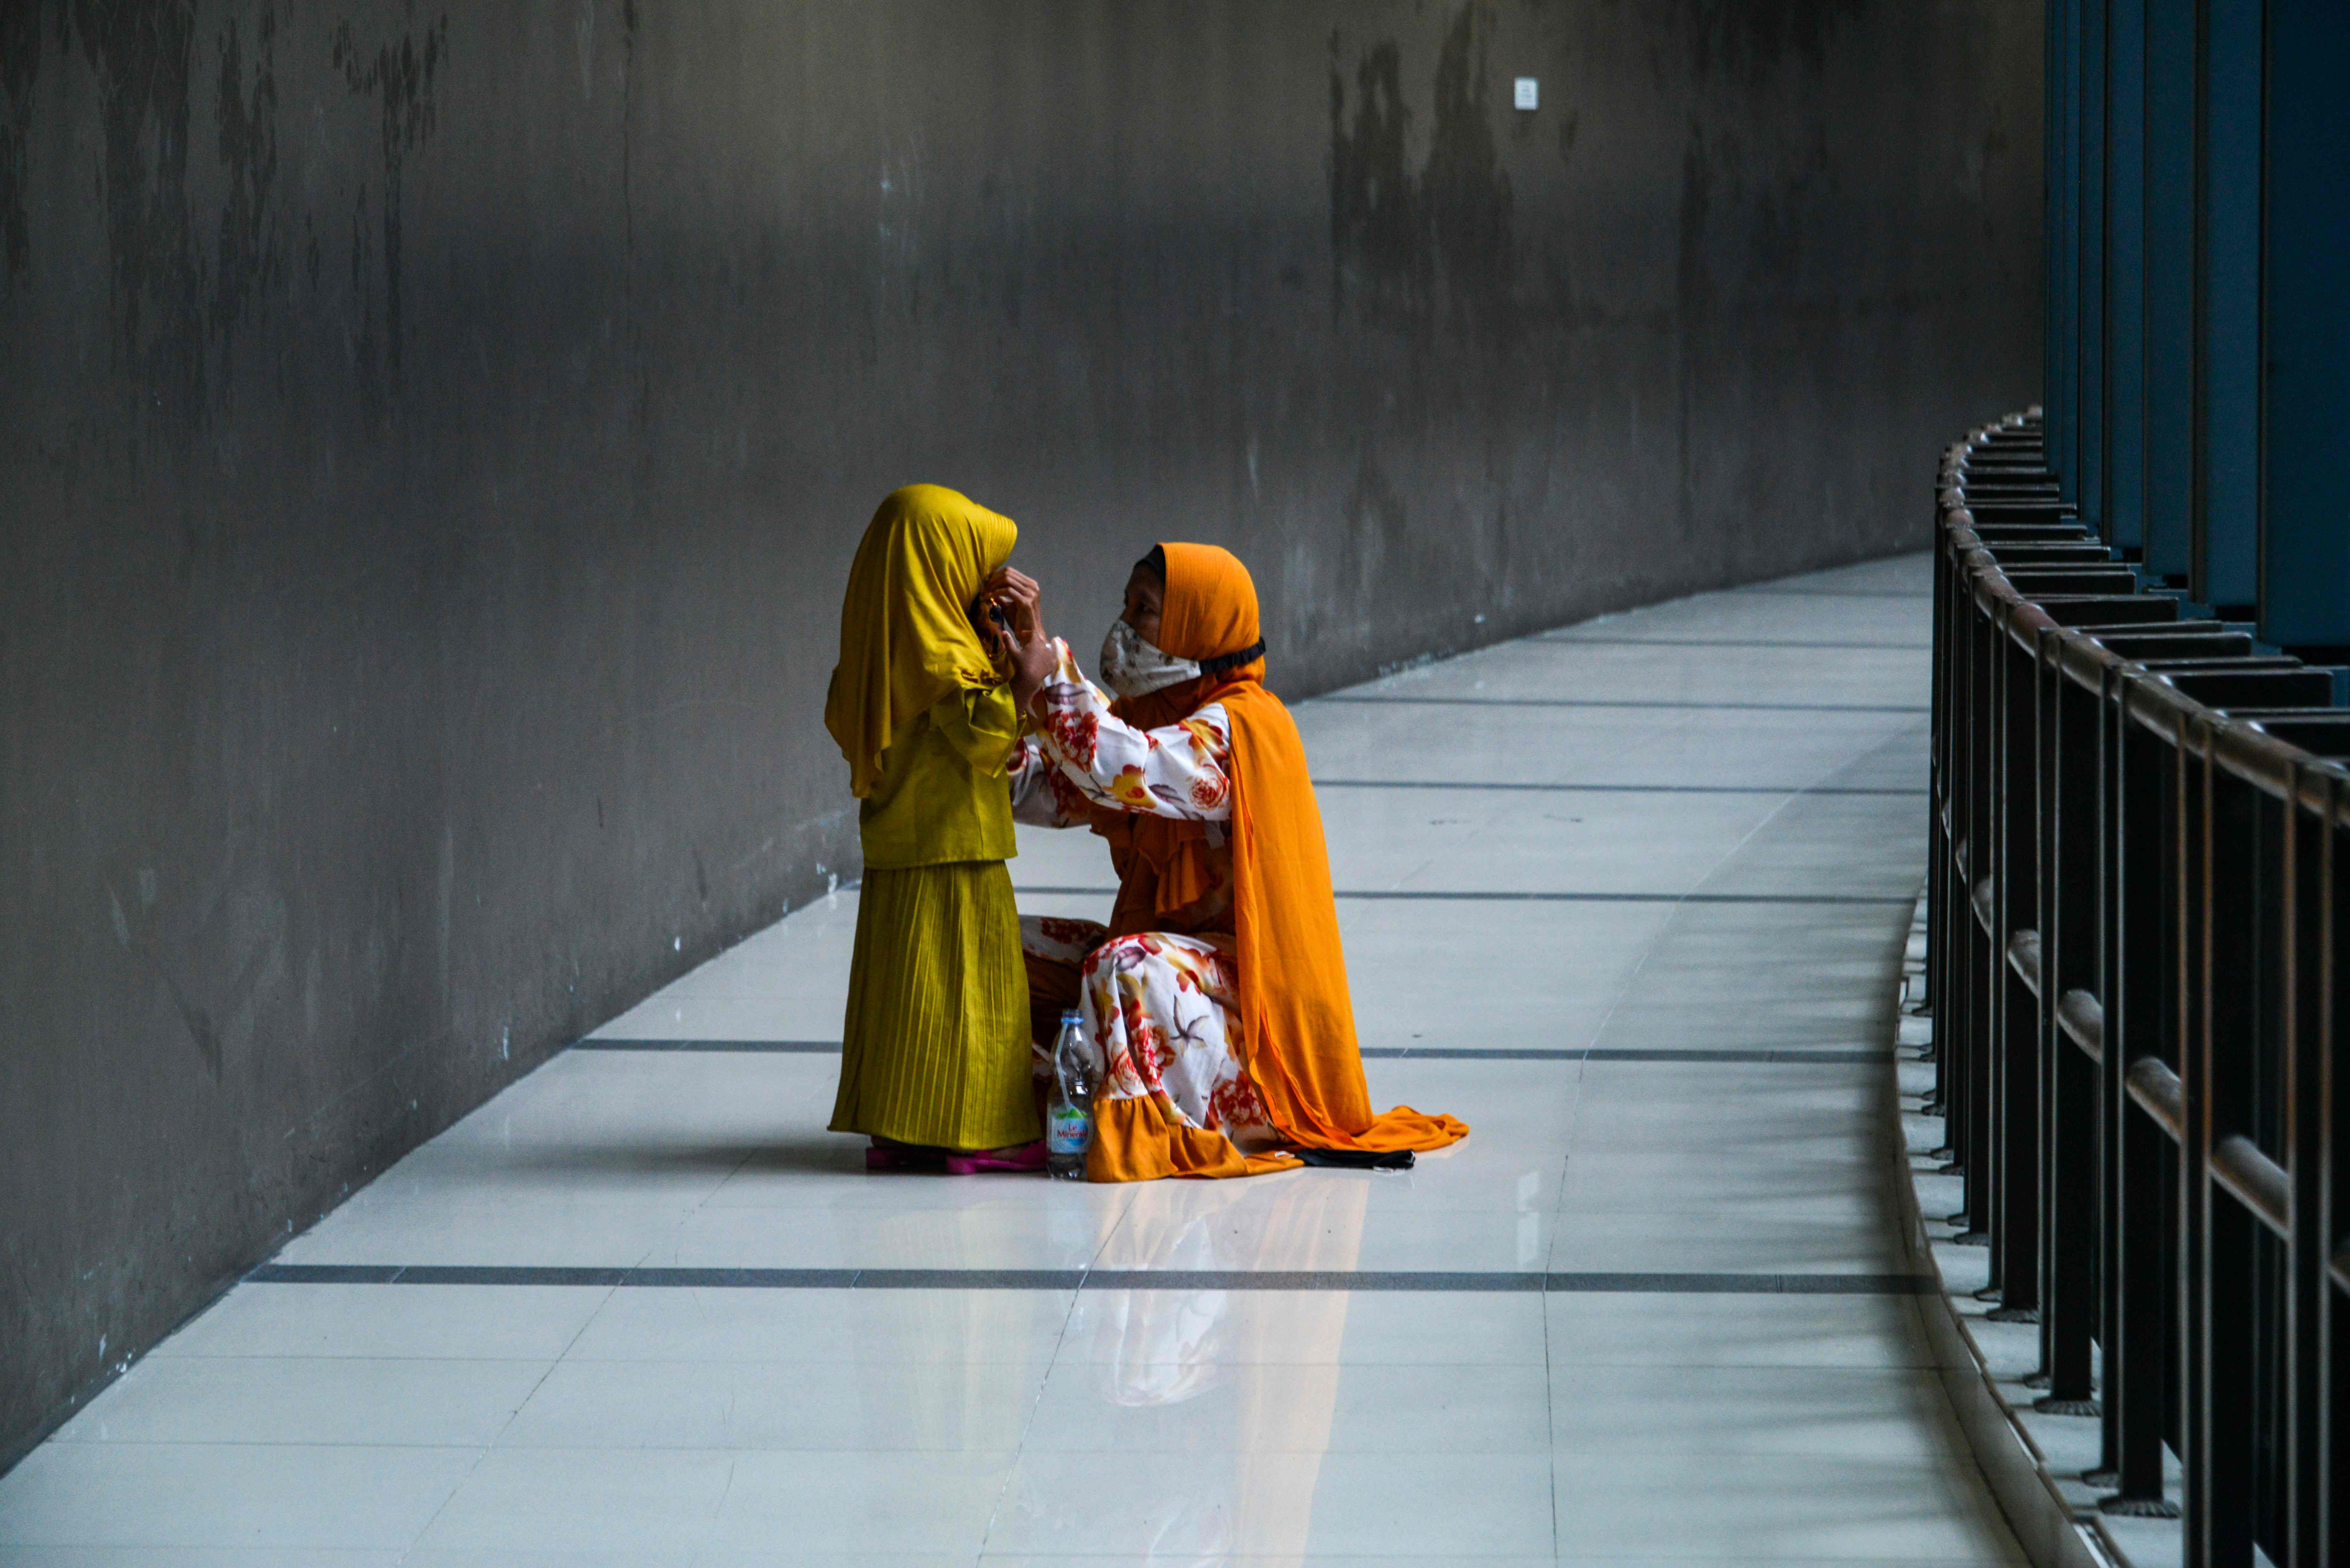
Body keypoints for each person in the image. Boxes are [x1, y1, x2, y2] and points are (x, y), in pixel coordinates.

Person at [985, 542, 1468, 1180]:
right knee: (994, 944)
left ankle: (1152, 1121)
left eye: (1146, 610)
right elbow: (1043, 789)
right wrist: (998, 696)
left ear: (1198, 626)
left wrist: (1048, 673)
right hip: (1184, 974)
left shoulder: (1241, 729)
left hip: (1249, 1009)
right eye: (1125, 605)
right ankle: (1036, 1099)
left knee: (1123, 965)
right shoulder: (1150, 719)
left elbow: (1124, 767)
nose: (1124, 627)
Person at [822, 485, 1042, 1172]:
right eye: (975, 567)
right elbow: (989, 741)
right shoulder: (946, 657)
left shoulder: (888, 643)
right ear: (938, 569)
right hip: (960, 851)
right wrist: (1030, 670)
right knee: (973, 995)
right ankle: (979, 1133)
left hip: (899, 852)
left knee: (908, 993)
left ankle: (901, 1127)